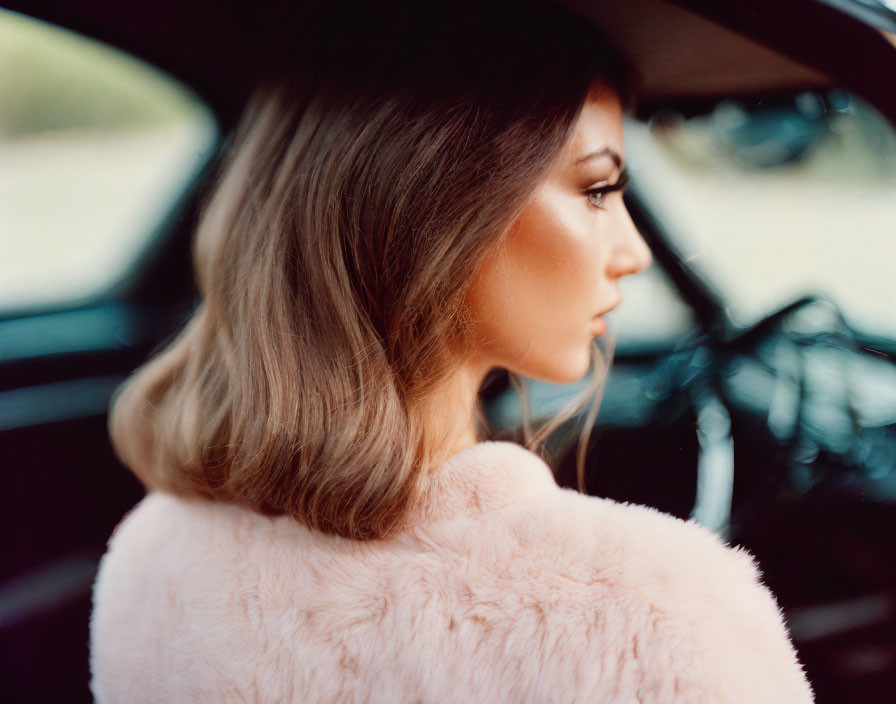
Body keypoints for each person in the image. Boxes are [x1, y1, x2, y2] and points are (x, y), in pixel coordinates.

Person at [89, 1, 814, 701]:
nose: (634, 252)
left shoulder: (151, 558)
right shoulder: (660, 616)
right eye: (596, 189)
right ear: (434, 209)